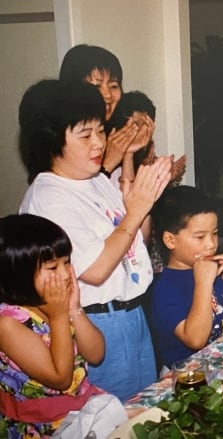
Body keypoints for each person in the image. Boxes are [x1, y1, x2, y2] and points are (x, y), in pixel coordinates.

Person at [18, 79, 172, 401]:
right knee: (112, 424)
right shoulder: (49, 197)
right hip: (98, 325)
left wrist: (142, 203)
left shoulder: (94, 180)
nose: (99, 143)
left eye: (100, 131)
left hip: (131, 317)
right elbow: (96, 269)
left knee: (144, 415)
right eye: (85, 135)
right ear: (51, 141)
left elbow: (136, 242)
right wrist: (135, 212)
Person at [0, 214, 107, 437]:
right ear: (18, 273)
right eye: (52, 268)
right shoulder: (8, 324)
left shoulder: (54, 303)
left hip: (79, 412)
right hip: (44, 426)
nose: (66, 274)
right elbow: (60, 379)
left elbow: (96, 355)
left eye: (67, 263)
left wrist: (74, 309)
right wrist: (59, 317)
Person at [148, 186, 223, 367]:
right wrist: (203, 283)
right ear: (170, 240)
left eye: (215, 233)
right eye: (200, 236)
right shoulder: (164, 289)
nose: (211, 244)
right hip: (190, 375)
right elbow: (195, 340)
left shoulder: (221, 265)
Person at [59, 44, 152, 178]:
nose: (107, 95)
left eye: (113, 85)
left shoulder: (116, 133)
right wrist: (108, 164)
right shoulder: (66, 139)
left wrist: (129, 153)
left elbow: (124, 197)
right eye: (97, 86)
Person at [105, 90, 187, 189]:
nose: (141, 134)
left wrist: (165, 181)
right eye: (135, 126)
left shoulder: (145, 156)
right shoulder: (105, 157)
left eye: (146, 128)